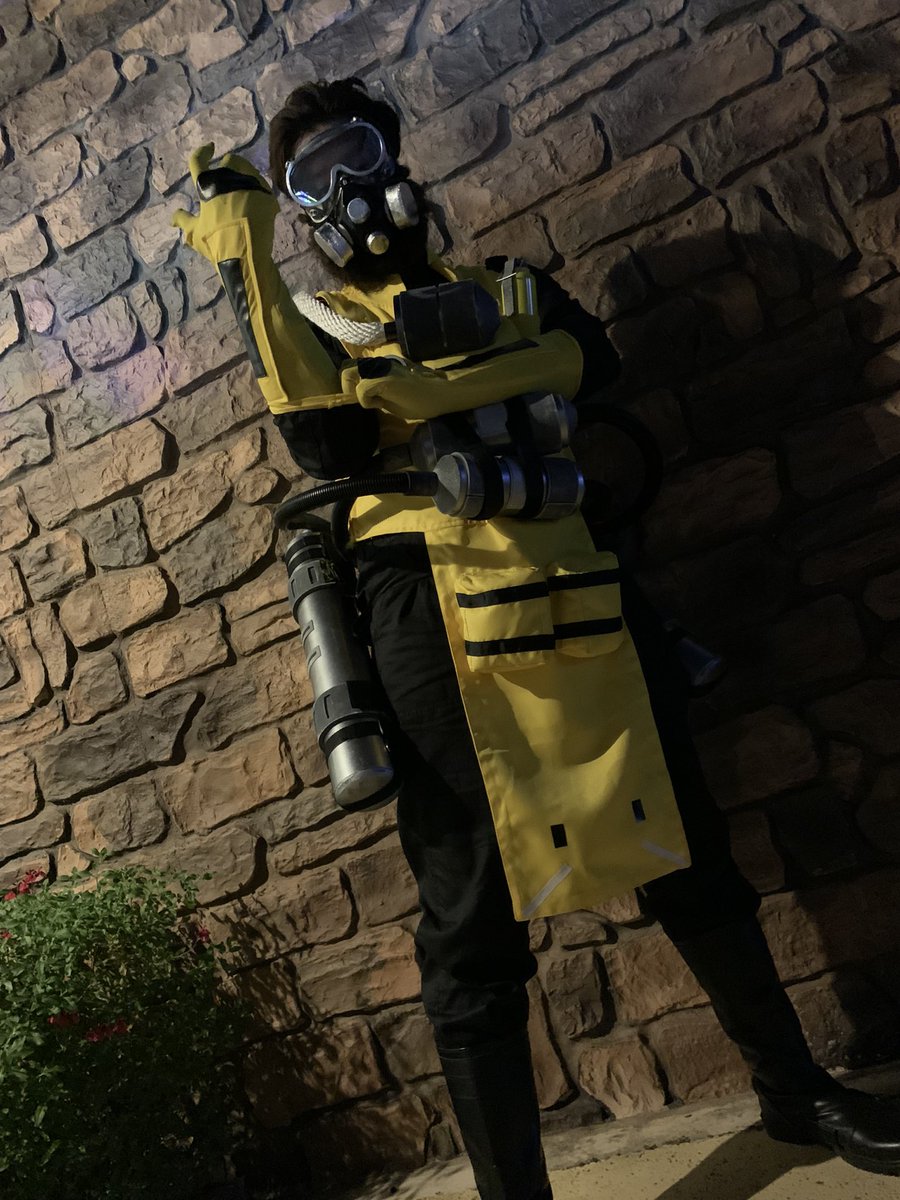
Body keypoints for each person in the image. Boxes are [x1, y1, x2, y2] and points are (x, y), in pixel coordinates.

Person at [172, 77, 900, 1195]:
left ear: (397, 156)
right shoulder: (313, 322)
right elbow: (325, 444)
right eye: (316, 173)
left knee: (683, 835)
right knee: (469, 907)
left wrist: (410, 390)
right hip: (427, 600)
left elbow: (587, 363)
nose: (352, 182)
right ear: (297, 209)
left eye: (361, 150)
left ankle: (794, 1089)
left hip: (571, 568)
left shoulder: (504, 284)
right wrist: (251, 270)